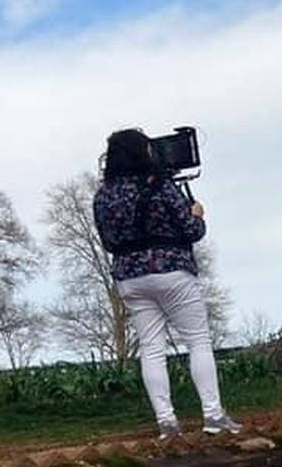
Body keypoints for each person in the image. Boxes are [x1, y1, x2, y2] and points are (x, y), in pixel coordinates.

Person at [93, 128, 240, 439]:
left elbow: (107, 242)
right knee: (198, 341)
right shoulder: (161, 186)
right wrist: (197, 215)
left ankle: (167, 423)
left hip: (129, 276)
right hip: (172, 269)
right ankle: (213, 415)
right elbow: (191, 230)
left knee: (151, 348)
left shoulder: (103, 196)